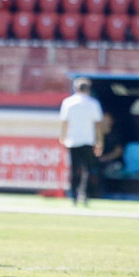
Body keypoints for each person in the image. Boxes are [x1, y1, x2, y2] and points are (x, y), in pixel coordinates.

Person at [59, 77, 103, 206]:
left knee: (74, 169)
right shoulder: (93, 103)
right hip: (88, 140)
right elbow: (98, 125)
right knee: (87, 170)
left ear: (75, 88)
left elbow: (64, 122)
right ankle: (83, 194)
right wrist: (100, 140)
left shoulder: (68, 103)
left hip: (72, 140)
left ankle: (73, 195)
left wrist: (63, 137)